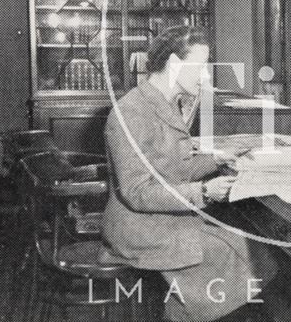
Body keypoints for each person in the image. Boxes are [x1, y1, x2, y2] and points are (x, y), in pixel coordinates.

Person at [101, 25, 277, 322]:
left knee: (249, 246)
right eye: (201, 67)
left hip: (162, 217)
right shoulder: (131, 112)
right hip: (138, 226)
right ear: (173, 64)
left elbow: (175, 168)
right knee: (238, 252)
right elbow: (137, 192)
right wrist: (204, 192)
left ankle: (191, 313)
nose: (206, 76)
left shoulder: (163, 103)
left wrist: (219, 158)